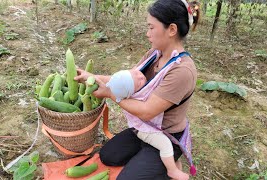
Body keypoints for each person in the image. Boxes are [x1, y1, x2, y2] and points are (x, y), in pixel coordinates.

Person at [74, 0, 200, 179]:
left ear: (172, 30)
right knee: (107, 156)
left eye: (151, 27)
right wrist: (91, 76)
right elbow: (126, 81)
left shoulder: (182, 71)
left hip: (166, 135)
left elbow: (148, 111)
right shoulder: (155, 54)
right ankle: (149, 158)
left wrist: (110, 94)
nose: (147, 33)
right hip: (144, 129)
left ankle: (170, 165)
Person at [105, 69, 189, 179]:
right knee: (165, 145)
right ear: (132, 92)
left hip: (143, 128)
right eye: (138, 83)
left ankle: (165, 163)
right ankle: (172, 170)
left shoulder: (130, 92)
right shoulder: (142, 96)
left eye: (135, 73)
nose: (141, 77)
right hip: (146, 131)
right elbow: (158, 80)